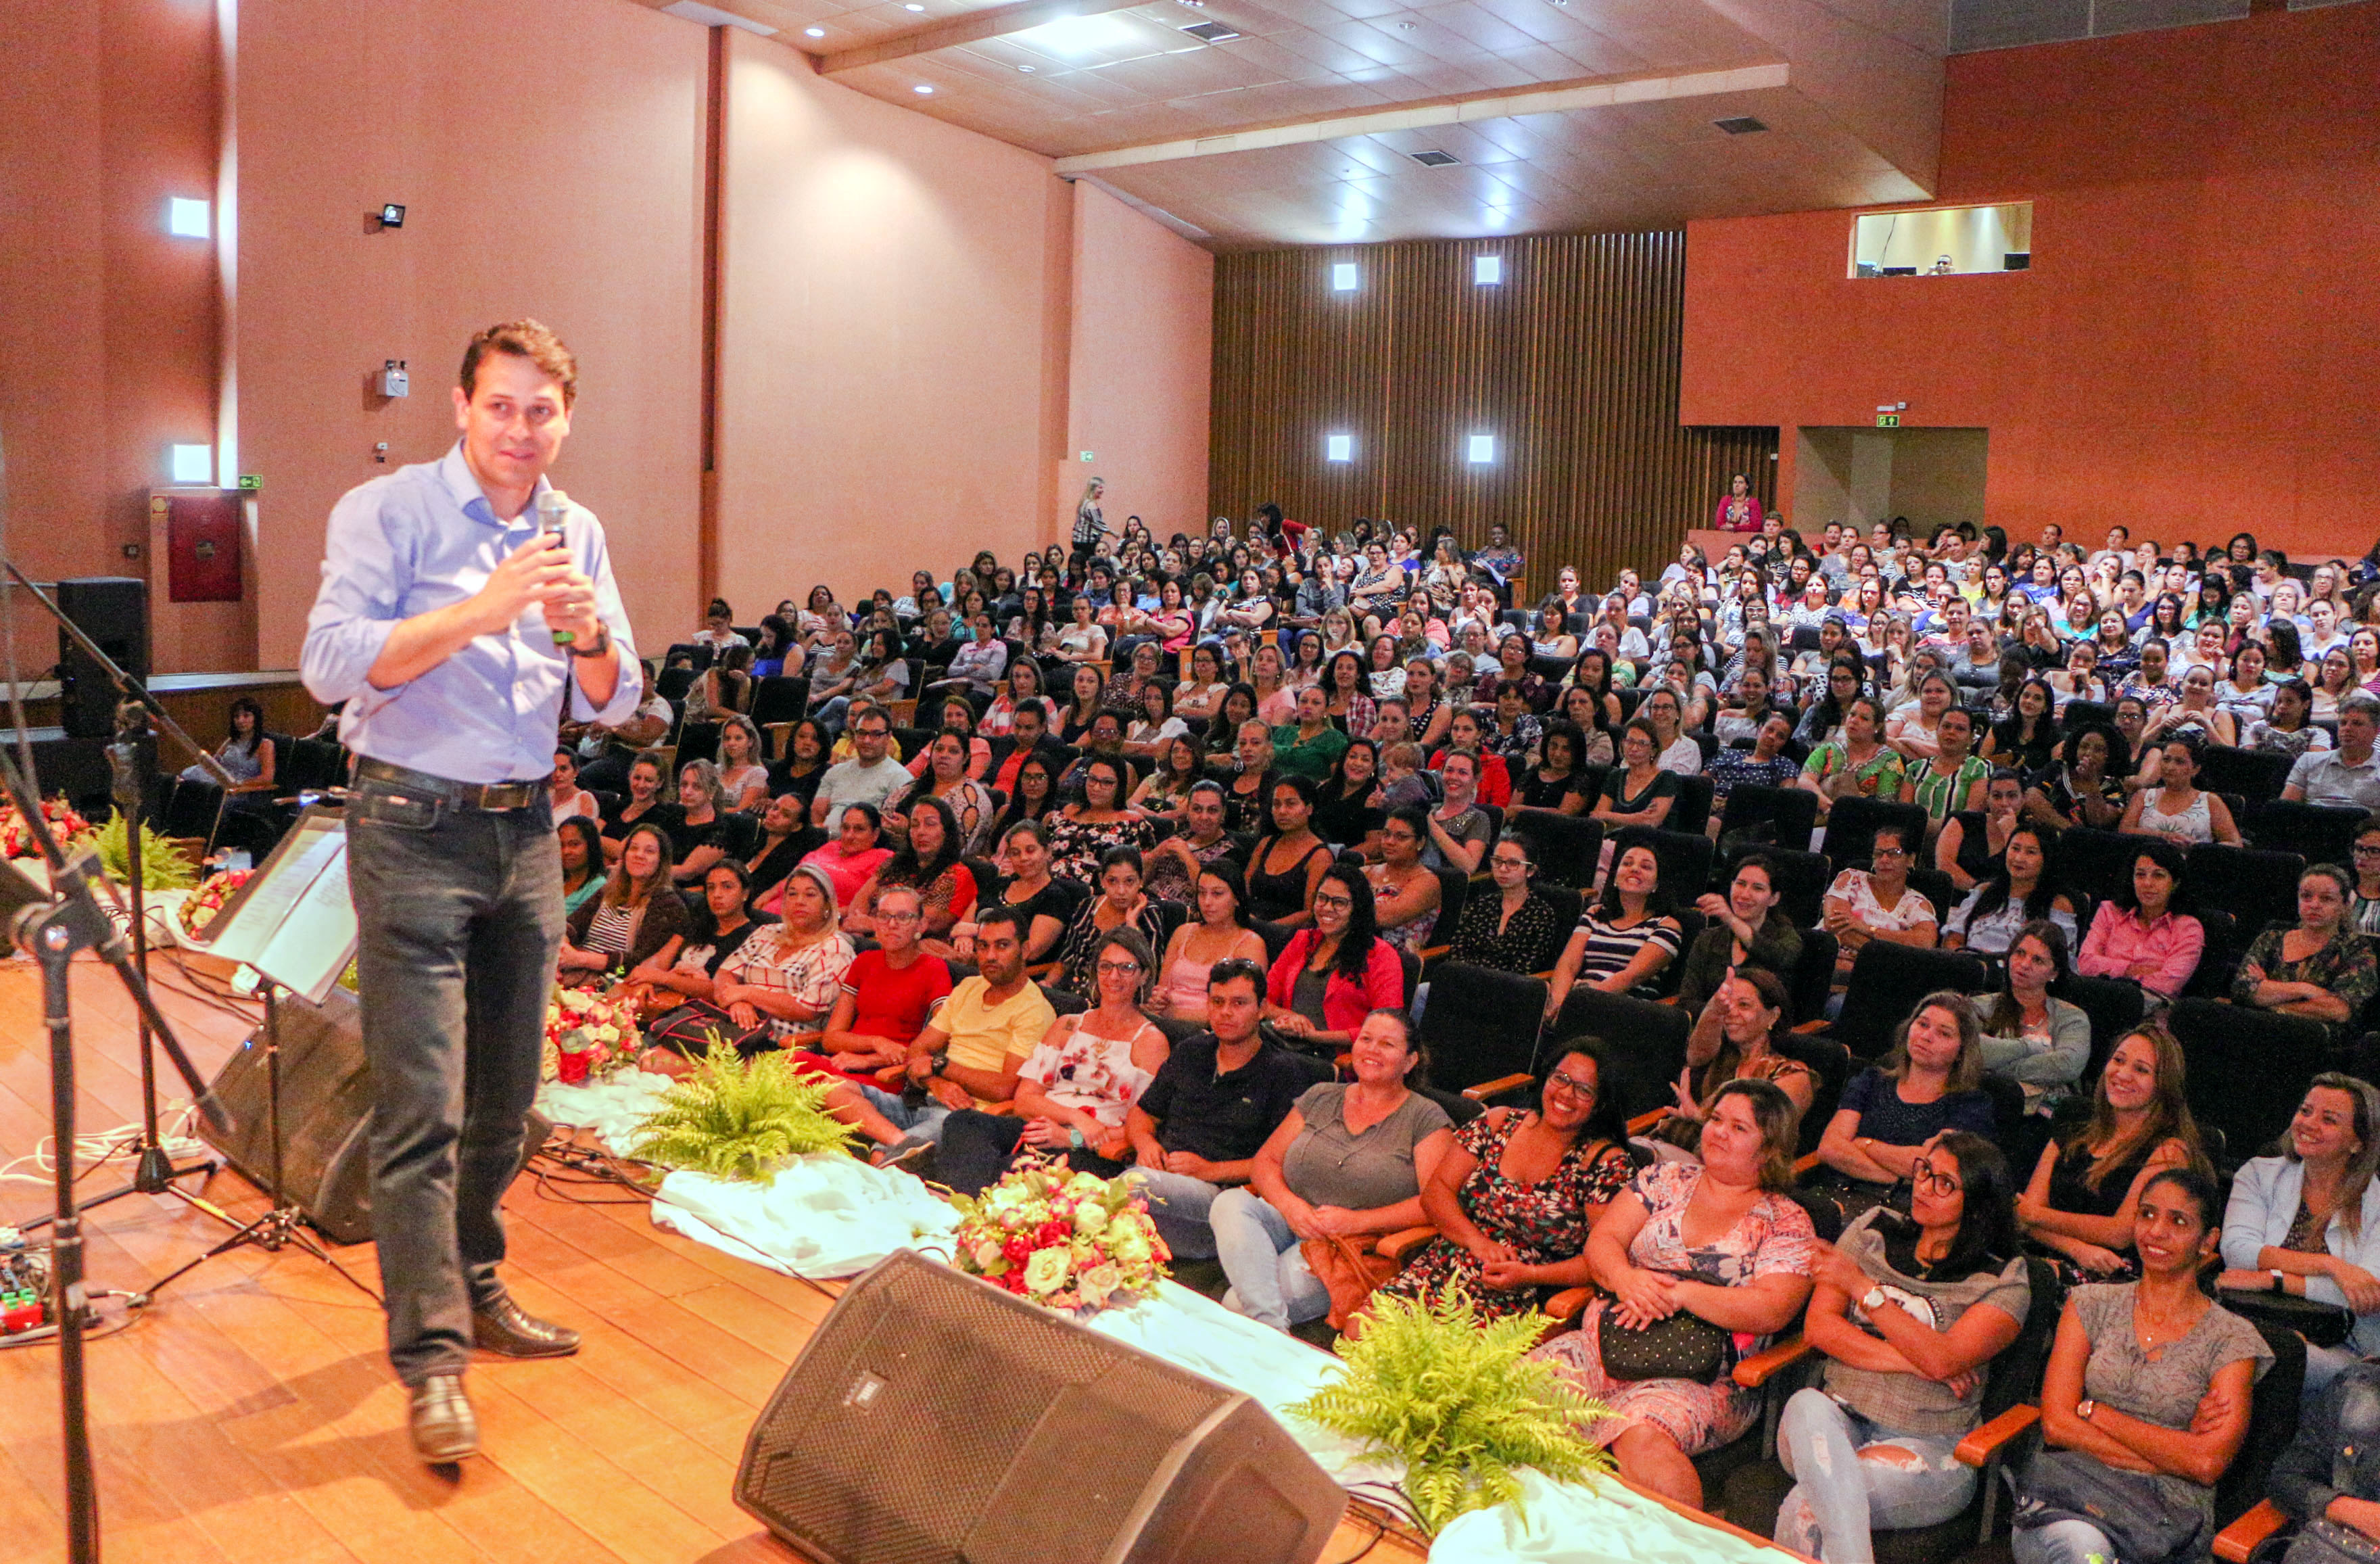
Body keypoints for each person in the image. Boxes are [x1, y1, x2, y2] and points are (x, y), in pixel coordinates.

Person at [1528, 1080, 1816, 1509]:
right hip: (1603, 1347)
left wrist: (1680, 1294)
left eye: (1739, 1128)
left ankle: (1679, 1541)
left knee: (1640, 1435)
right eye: (1716, 1119)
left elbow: (1773, 1308)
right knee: (1513, 1390)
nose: (1719, 1132)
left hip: (1702, 1378)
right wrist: (1625, 1279)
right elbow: (1603, 1242)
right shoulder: (1664, 1179)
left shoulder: (1785, 1221)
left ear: (1770, 1149)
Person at [1775, 1134, 2031, 1564]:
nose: (1924, 1187)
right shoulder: (1873, 1229)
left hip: (1928, 1447)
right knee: (1805, 1403)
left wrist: (1863, 1288)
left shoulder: (2004, 1280)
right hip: (1831, 1421)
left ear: (1979, 1203)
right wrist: (1916, 1364)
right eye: (1924, 1170)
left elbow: (1944, 1359)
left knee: (1809, 1504)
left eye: (1945, 1183)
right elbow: (1820, 1329)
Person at [2010, 1168, 2270, 1564]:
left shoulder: (2232, 1338)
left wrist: (2097, 1413)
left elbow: (2206, 1462)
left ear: (2208, 1241)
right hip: (2069, 1500)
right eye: (2147, 1215)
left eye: (2178, 1221)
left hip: (2166, 1525)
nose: (2156, 1232)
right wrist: (2170, 1457)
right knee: (2083, 1548)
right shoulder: (2090, 1304)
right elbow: (2057, 1425)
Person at [1213, 1009, 1457, 1331]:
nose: (1372, 1050)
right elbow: (1265, 1162)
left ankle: (1266, 1320)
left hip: (1346, 1245)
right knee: (1228, 1202)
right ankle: (1271, 1323)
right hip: (1289, 1218)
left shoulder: (1426, 1118)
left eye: (1387, 1044)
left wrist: (1357, 1221)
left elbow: (1435, 1204)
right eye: (1366, 1039)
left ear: (1410, 1061)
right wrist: (1291, 1206)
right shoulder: (1322, 1095)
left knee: (1236, 1304)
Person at [1373, 1039, 1637, 1322]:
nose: (1566, 1093)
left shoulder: (1606, 1165)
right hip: (1444, 1266)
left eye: (1584, 1090)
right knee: (1360, 1329)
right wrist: (1476, 1242)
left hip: (1522, 1294)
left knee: (1428, 1350)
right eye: (1560, 1078)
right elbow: (1437, 1192)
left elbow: (1604, 1258)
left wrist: (1530, 1275)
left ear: (1600, 1103)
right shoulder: (1498, 1122)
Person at [934, 929, 1170, 1195]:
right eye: (1106, 966)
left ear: (1144, 975)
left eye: (1126, 968)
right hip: (1042, 1128)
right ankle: (969, 1200)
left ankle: (962, 1201)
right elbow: (1025, 1100)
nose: (1114, 977)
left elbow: (1141, 1129)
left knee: (1011, 1170)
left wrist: (1071, 1137)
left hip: (1093, 1150)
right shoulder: (1067, 1025)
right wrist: (1075, 1117)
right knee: (964, 1122)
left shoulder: (1150, 1042)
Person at [822, 905, 1055, 1162]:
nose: (990, 955)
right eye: (983, 946)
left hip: (965, 1118)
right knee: (827, 1088)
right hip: (924, 1099)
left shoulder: (1035, 1010)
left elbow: (1004, 1088)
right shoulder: (969, 987)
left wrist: (939, 1066)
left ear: (1025, 950)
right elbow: (917, 1050)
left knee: (880, 1156)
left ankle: (894, 1148)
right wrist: (937, 1083)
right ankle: (903, 1144)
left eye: (1002, 946)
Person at [1124, 957, 1316, 1260]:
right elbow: (1142, 1112)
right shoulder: (1191, 1051)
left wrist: (1209, 1170)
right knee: (1113, 1207)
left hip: (1222, 1197)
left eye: (1239, 1003)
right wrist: (1146, 1143)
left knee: (1125, 1192)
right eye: (1217, 1002)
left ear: (1261, 1008)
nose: (1226, 1012)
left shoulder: (1282, 1072)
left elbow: (1284, 1161)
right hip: (1159, 1176)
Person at [2221, 1075, 2380, 1396]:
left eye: (2329, 1120)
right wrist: (2332, 1267)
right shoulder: (2259, 1174)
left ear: (2358, 1143)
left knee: (2267, 1353)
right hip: (2252, 1321)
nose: (2308, 1123)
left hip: (2343, 1346)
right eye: (2306, 1111)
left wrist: (2273, 1280)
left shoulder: (2376, 1203)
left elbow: (2367, 1293)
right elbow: (2238, 1250)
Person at [2018, 1024, 2203, 1287]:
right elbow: (2026, 1219)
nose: (2123, 1074)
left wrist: (2036, 1216)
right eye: (2118, 1060)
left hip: (2111, 1276)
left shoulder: (2169, 1152)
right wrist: (2077, 1249)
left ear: (2164, 1084)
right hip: (2051, 1258)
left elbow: (2122, 1232)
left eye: (2141, 1070)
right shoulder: (2072, 1129)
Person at [1817, 994, 1997, 1210]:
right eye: (1922, 1024)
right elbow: (1830, 1148)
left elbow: (1934, 1167)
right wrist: (1900, 1178)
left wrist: (1865, 1144)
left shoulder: (1970, 1104)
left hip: (1913, 1210)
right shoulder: (1871, 1080)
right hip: (1837, 1195)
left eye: (1944, 1033)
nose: (1926, 1036)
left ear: (1962, 1052)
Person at [802, 884, 951, 1084]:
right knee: (785, 1064)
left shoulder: (934, 969)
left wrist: (868, 1060)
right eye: (884, 916)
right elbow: (831, 1039)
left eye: (903, 917)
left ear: (921, 925)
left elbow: (940, 1045)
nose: (892, 924)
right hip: (842, 1064)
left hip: (888, 1075)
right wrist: (876, 1042)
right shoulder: (865, 961)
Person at [1262, 863, 1405, 1055]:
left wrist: (1315, 1036)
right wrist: (1291, 1018)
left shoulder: (1382, 956)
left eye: (1339, 902)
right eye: (1322, 899)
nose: (1327, 908)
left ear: (1357, 908)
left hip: (1333, 1056)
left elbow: (1387, 1026)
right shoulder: (1303, 940)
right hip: (1283, 1044)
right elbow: (1263, 999)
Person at [2233, 864, 2379, 1039]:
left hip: (2313, 1040)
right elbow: (2242, 990)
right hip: (2259, 1032)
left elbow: (2338, 1010)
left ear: (2345, 905)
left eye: (2326, 899)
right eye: (2306, 897)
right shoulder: (2271, 938)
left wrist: (2270, 1001)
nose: (2314, 905)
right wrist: (2304, 989)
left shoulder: (2356, 949)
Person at [1543, 843, 1683, 1012]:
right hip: (1578, 1000)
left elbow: (1631, 977)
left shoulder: (1667, 925)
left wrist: (1580, 1002)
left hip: (1626, 1009)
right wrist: (1559, 1003)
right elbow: (1568, 965)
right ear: (1615, 878)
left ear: (1656, 885)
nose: (1635, 869)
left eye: (1646, 867)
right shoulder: (1596, 913)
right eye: (1627, 863)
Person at [621, 859, 766, 1020]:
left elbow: (720, 991)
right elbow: (660, 959)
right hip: (662, 1002)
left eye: (727, 887)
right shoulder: (698, 924)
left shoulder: (754, 938)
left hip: (702, 1016)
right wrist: (646, 979)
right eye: (711, 888)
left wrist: (663, 978)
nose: (717, 894)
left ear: (745, 893)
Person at [2074, 838, 2204, 1001]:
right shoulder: (2110, 911)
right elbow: (2085, 964)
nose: (2147, 883)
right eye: (2140, 875)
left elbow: (2168, 986)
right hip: (2098, 997)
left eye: (2158, 876)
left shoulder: (2188, 928)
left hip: (2150, 1007)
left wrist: (2110, 969)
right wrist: (2135, 969)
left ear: (2175, 883)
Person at [560, 822, 692, 982]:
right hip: (573, 970)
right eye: (634, 848)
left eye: (649, 851)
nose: (639, 855)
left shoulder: (668, 904)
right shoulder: (609, 889)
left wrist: (581, 959)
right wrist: (563, 948)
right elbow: (572, 925)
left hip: (615, 979)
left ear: (661, 861)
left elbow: (636, 964)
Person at [1678, 853, 1803, 1012]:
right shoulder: (1708, 939)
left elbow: (1779, 957)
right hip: (1710, 1023)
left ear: (1774, 899)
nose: (1744, 894)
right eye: (1740, 884)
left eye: (1758, 888)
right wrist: (1719, 1014)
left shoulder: (1785, 937)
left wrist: (1731, 919)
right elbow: (1687, 1001)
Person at [844, 795, 975, 943]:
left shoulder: (957, 873)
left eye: (930, 824)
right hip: (868, 940)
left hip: (916, 946)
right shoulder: (894, 863)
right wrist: (858, 933)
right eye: (915, 825)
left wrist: (872, 925)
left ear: (946, 832)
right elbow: (862, 899)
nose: (921, 832)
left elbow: (929, 921)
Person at [1149, 860, 1268, 1024]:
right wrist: (1158, 1001)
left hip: (1210, 1029)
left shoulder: (1251, 944)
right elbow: (1162, 990)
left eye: (1217, 894)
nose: (1207, 902)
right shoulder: (1183, 933)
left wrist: (1174, 1014)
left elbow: (1239, 1011)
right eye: (1201, 893)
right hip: (1164, 1022)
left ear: (1237, 899)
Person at [1822, 822, 1939, 976]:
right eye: (1878, 853)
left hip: (1877, 974)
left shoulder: (1917, 903)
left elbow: (1926, 943)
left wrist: (1868, 929)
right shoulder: (1851, 879)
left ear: (1911, 859)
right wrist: (1887, 954)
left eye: (1894, 853)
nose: (1884, 859)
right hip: (1830, 961)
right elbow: (1835, 925)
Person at [1446, 833, 1570, 975]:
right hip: (1466, 979)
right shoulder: (1481, 905)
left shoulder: (1541, 915)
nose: (1503, 869)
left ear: (1530, 871)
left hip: (1509, 985)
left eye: (1513, 863)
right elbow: (1458, 950)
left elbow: (1526, 968)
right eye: (1497, 861)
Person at [1051, 845, 1168, 995]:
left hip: (1112, 997)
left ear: (1141, 881)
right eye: (1112, 881)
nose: (1121, 891)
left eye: (1129, 881)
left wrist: (1132, 924)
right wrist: (1048, 984)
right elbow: (1065, 960)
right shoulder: (1088, 906)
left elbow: (1148, 975)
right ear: (1102, 880)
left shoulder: (1149, 914)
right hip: (1070, 991)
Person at [1944, 826, 2078, 955]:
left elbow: (2059, 960)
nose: (2019, 858)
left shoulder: (2058, 905)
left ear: (2047, 859)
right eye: (2015, 849)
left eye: (2031, 852)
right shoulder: (1984, 891)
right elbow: (1952, 941)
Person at [2119, 732, 2242, 846]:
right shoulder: (2144, 796)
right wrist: (2164, 836)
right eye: (2166, 760)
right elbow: (2124, 832)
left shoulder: (2210, 801)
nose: (2170, 767)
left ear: (2195, 769)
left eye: (2179, 762)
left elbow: (2235, 844)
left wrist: (2196, 847)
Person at [1799, 697, 1905, 825]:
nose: (1854, 721)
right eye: (1852, 714)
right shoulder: (1827, 749)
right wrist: (1826, 805)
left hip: (1862, 825)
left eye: (1864, 718)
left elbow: (1885, 805)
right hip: (1818, 818)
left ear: (1877, 726)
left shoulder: (1890, 760)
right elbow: (1805, 780)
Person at [809, 707, 909, 826]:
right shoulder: (835, 772)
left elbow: (891, 826)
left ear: (888, 737)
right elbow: (817, 815)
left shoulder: (900, 778)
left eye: (876, 735)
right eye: (862, 733)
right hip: (827, 835)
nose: (867, 740)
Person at [1365, 807, 1442, 954]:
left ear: (1420, 842)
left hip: (1395, 958)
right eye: (1386, 834)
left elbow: (1384, 918)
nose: (1390, 842)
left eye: (1401, 837)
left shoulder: (1427, 882)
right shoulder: (1367, 871)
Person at [792, 802, 892, 912]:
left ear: (875, 834)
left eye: (859, 829)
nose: (849, 836)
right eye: (845, 828)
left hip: (824, 917)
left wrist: (826, 916)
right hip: (785, 907)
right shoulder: (831, 846)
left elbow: (869, 906)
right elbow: (791, 877)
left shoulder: (883, 858)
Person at [2286, 694, 2380, 811]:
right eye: (2343, 723)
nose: (2347, 728)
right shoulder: (2309, 761)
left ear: (2376, 731)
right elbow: (2286, 811)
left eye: (2357, 723)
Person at [1937, 768, 2025, 891]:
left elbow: (2021, 878)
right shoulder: (1963, 821)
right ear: (1988, 799)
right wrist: (1978, 890)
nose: (2004, 803)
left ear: (2023, 800)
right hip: (1959, 894)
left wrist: (2009, 834)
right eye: (1997, 796)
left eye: (2012, 796)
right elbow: (1944, 866)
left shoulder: (2031, 833)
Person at [598, 750, 681, 864]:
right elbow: (592, 831)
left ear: (659, 783)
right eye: (637, 778)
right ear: (630, 777)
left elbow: (621, 850)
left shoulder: (659, 816)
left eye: (648, 780)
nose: (641, 785)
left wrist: (595, 841)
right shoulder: (620, 804)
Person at [1423, 749, 1493, 874]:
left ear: (1475, 780)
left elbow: (1469, 865)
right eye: (1449, 770)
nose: (1454, 777)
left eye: (1463, 773)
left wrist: (1431, 824)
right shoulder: (1429, 808)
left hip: (1447, 882)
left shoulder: (1479, 818)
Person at [555, 817, 606, 917]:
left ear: (591, 846)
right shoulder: (555, 881)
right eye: (561, 845)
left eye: (574, 844)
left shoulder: (599, 887)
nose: (566, 851)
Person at [547, 744, 598, 828]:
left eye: (564, 769)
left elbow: (584, 833)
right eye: (553, 769)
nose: (558, 774)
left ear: (576, 772)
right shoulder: (545, 795)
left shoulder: (584, 799)